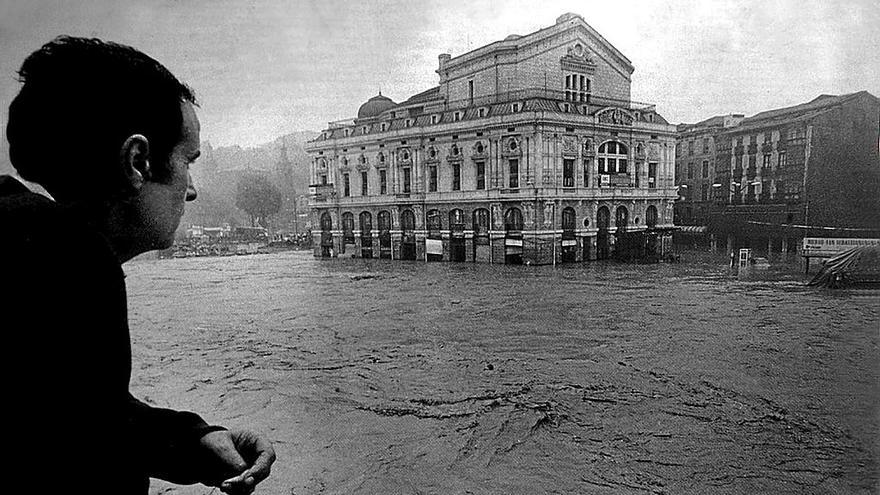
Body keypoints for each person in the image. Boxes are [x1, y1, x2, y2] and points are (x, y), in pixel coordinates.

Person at [1, 37, 275, 494]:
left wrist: (196, 440)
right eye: (188, 161)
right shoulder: (72, 259)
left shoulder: (24, 240)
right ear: (138, 161)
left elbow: (76, 418)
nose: (191, 191)